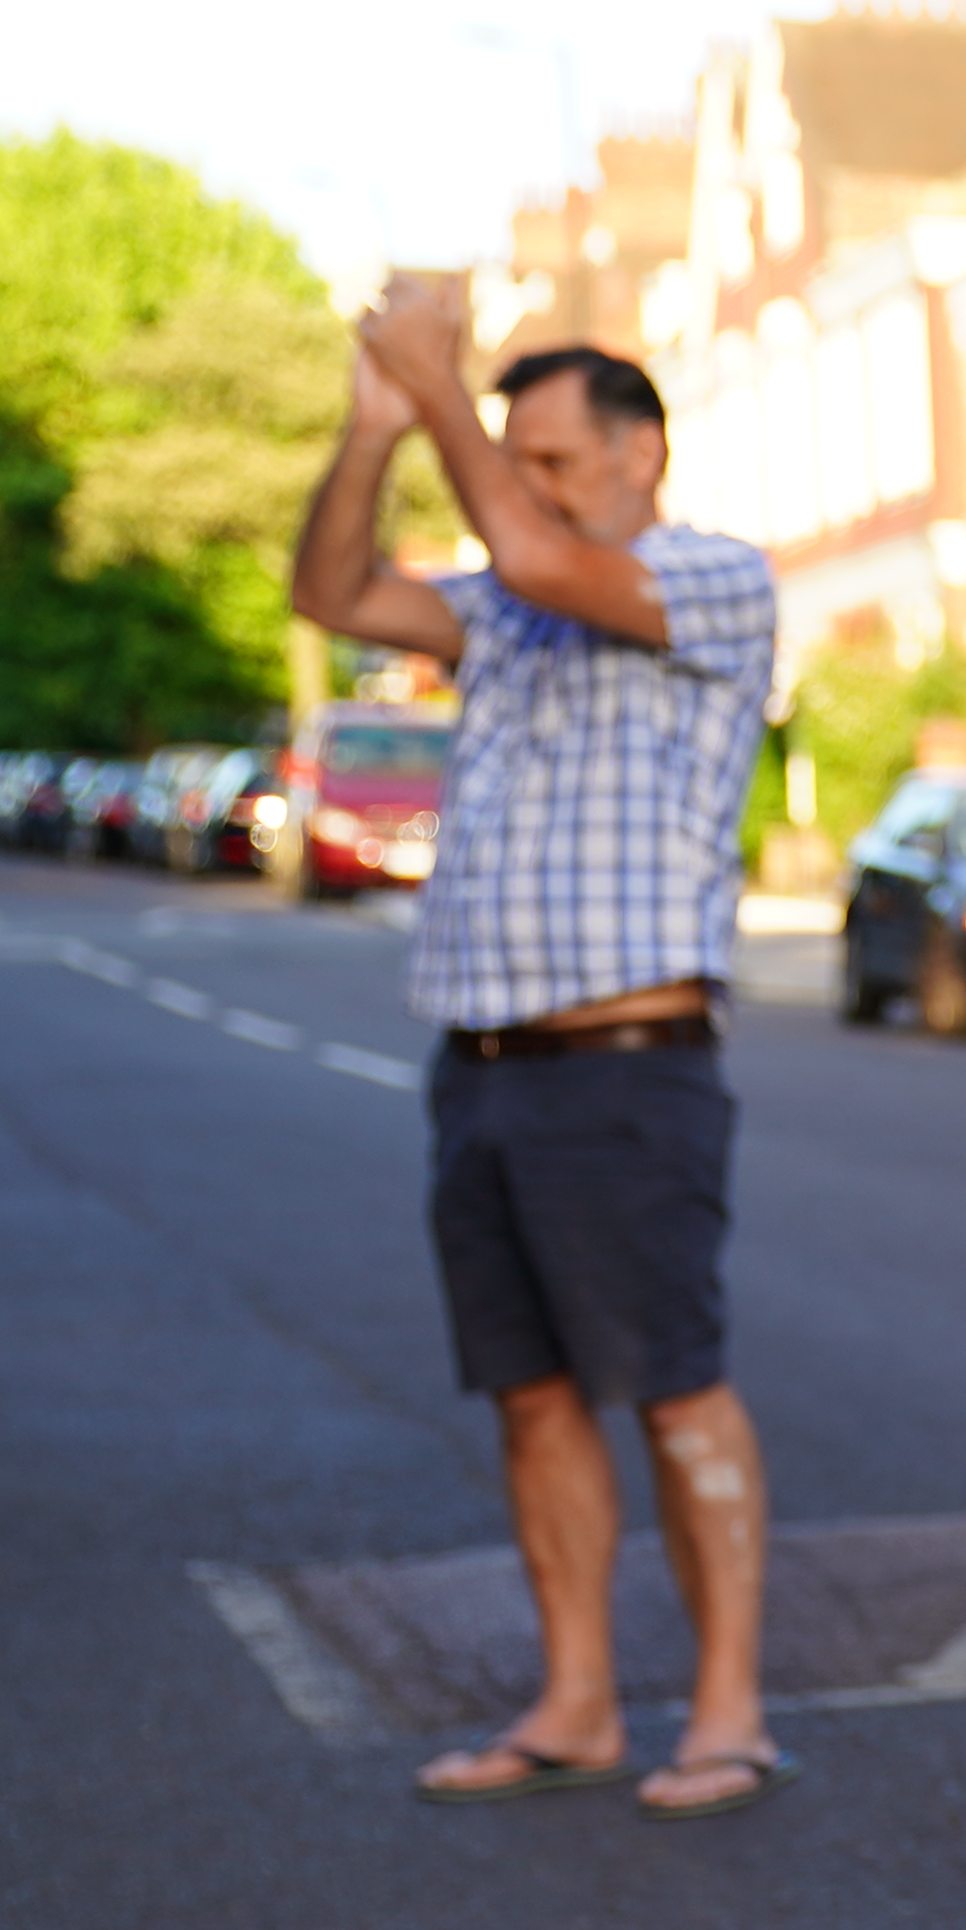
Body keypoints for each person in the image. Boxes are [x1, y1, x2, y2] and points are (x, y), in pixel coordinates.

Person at [287, 290, 788, 1819]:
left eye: (557, 455)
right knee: (530, 1394)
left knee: (675, 1390)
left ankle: (727, 1711)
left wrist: (441, 391)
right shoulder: (507, 603)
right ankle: (575, 1701)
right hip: (483, 1062)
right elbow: (333, 592)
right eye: (524, 456)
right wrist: (377, 427)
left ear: (640, 453)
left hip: (627, 1063)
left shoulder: (710, 577)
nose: (534, 479)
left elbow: (539, 555)